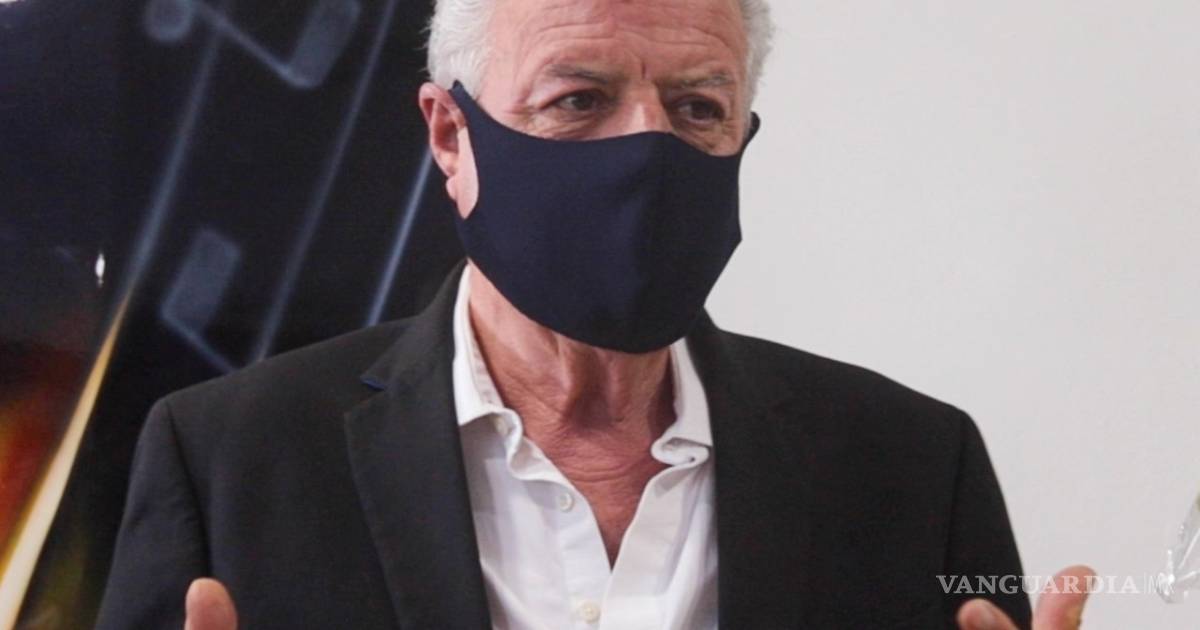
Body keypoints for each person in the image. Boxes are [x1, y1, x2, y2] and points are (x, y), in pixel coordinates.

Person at [96, 0, 1096, 628]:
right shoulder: (229, 461)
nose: (646, 152)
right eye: (578, 100)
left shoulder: (913, 467)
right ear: (450, 137)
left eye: (698, 108)